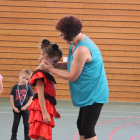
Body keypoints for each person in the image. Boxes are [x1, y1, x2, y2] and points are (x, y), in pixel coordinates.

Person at [41, 15, 109, 140]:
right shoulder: (74, 45)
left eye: (62, 35)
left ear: (70, 33)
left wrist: (51, 69)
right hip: (88, 92)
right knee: (81, 125)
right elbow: (73, 65)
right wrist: (53, 64)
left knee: (88, 128)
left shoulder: (82, 49)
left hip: (95, 93)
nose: (60, 38)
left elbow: (72, 76)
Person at [28, 38, 62, 140]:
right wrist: (45, 112)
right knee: (42, 136)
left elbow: (48, 95)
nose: (55, 64)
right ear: (47, 57)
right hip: (41, 109)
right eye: (55, 61)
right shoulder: (40, 74)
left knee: (44, 136)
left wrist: (53, 110)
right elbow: (40, 95)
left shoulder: (46, 72)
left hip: (45, 107)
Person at [10, 69, 34, 140]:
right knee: (15, 124)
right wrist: (14, 107)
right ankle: (13, 137)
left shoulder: (28, 87)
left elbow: (31, 97)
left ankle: (27, 137)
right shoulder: (15, 87)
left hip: (26, 110)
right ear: (19, 76)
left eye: (27, 79)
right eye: (23, 78)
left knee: (26, 124)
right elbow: (12, 97)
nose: (24, 80)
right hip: (17, 109)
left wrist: (26, 106)